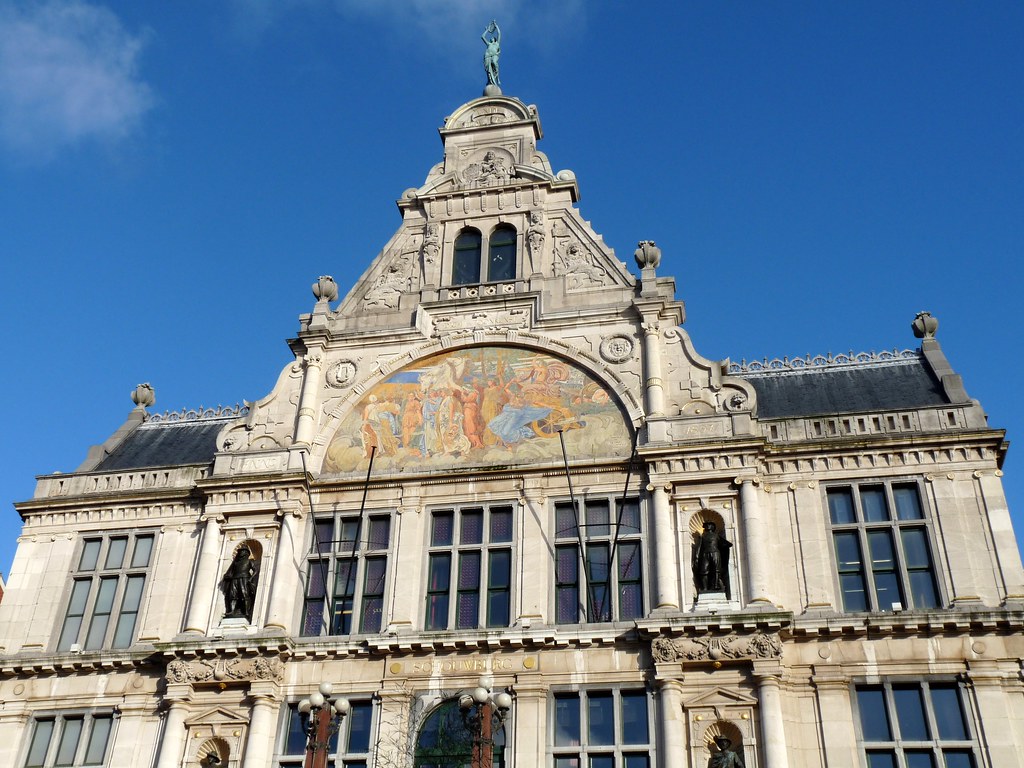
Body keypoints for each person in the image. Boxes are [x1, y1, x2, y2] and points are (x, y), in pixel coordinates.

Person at [693, 521, 732, 598]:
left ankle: (716, 585)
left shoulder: (717, 536)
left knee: (716, 570)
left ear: (713, 527)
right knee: (704, 571)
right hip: (705, 554)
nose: (708, 526)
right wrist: (697, 557)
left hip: (716, 553)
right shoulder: (702, 536)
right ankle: (704, 588)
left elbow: (724, 545)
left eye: (709, 525)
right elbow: (699, 548)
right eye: (706, 525)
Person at [223, 545, 258, 621]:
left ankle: (246, 612)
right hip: (235, 578)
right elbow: (231, 572)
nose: (240, 552)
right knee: (232, 595)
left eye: (242, 551)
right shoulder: (236, 563)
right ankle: (232, 611)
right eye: (240, 551)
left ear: (246, 553)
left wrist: (251, 578)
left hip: (244, 578)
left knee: (244, 594)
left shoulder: (249, 561)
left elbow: (255, 570)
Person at [482, 21, 501, 86]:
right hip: (487, 56)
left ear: (494, 39)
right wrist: (487, 30)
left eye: (492, 38)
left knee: (494, 62)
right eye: (491, 38)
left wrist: (496, 26)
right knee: (488, 70)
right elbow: (482, 37)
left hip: (494, 55)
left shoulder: (497, 43)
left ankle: (497, 77)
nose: (491, 38)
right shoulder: (489, 44)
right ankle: (490, 80)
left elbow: (499, 33)